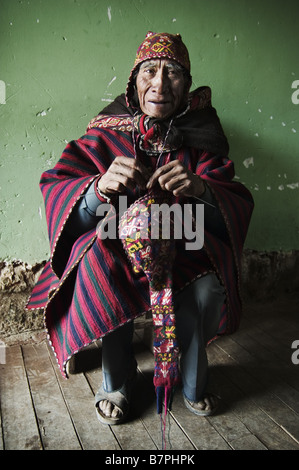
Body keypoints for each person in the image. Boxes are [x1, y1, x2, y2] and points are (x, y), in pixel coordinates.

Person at [27, 32, 254, 425]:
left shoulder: (203, 135)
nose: (160, 84)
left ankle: (192, 379)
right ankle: (117, 380)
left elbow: (233, 210)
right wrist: (96, 189)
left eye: (174, 74)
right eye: (150, 71)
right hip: (117, 252)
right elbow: (59, 193)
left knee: (205, 288)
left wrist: (201, 188)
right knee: (101, 264)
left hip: (186, 253)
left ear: (187, 86)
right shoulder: (106, 131)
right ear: (134, 80)